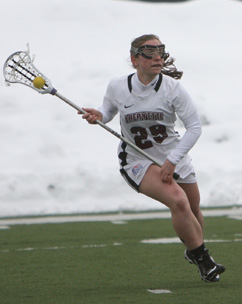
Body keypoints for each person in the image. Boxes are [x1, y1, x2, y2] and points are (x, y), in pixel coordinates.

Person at [79, 34, 225, 282]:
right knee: (178, 201)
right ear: (135, 59)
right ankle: (205, 261)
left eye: (160, 51)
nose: (157, 56)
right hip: (137, 159)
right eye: (149, 52)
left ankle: (193, 251)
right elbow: (108, 111)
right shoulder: (117, 86)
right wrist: (99, 115)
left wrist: (173, 160)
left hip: (172, 154)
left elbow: (194, 128)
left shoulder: (173, 89)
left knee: (193, 210)